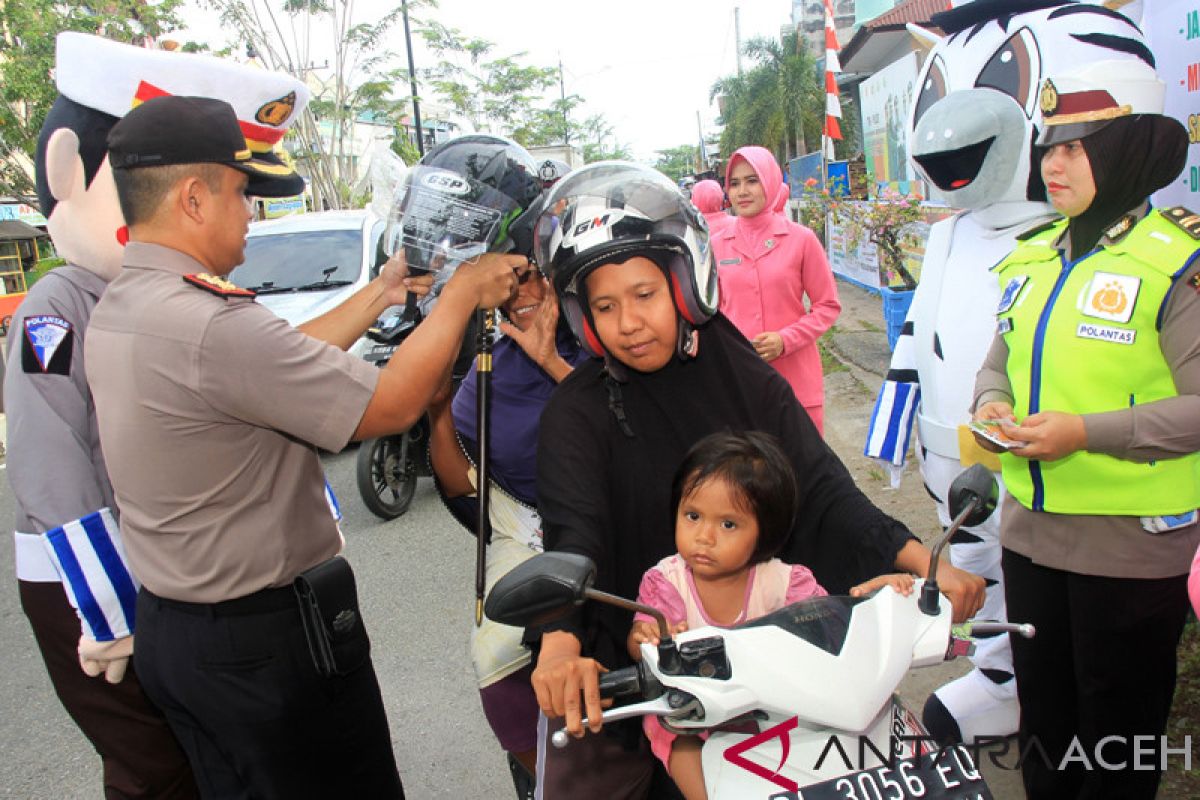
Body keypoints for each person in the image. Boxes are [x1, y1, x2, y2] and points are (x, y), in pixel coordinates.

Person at [84, 99, 528, 798]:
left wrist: (383, 294)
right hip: (260, 647)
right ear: (193, 198)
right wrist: (462, 295)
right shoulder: (208, 324)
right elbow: (391, 406)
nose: (250, 214)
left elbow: (282, 365)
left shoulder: (128, 303)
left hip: (178, 633)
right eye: (241, 194)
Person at [525, 162, 985, 799]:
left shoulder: (733, 366)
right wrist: (559, 639)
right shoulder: (575, 413)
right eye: (605, 306)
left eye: (645, 295)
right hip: (661, 675)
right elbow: (576, 537)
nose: (628, 321)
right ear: (583, 318)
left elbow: (820, 485)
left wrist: (922, 561)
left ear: (685, 286)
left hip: (786, 653)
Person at [8, 32, 330, 798]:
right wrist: (109, 610)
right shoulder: (58, 307)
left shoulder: (178, 298)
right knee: (153, 767)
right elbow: (51, 463)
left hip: (170, 569)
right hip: (89, 575)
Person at [971, 59, 1200, 800]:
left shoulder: (1180, 266)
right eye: (1049, 145)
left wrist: (1085, 432)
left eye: (1077, 144)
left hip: (1131, 546)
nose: (1053, 163)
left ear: (1131, 148)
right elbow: (996, 364)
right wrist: (991, 407)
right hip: (1031, 536)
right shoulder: (1034, 257)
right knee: (1046, 723)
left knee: (1118, 738)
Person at [627, 431, 914, 800]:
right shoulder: (666, 582)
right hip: (697, 715)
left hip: (779, 712)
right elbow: (640, 639)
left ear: (766, 530)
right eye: (693, 516)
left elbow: (832, 625)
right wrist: (646, 637)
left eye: (728, 524)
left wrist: (872, 598)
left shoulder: (784, 583)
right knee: (675, 735)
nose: (704, 537)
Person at [429, 262, 586, 796]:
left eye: (533, 275)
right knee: (493, 659)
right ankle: (554, 784)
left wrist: (553, 361)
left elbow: (627, 430)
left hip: (611, 518)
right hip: (530, 532)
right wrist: (436, 414)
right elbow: (461, 487)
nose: (520, 293)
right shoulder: (490, 365)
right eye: (508, 281)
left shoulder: (600, 333)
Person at [714, 146, 840, 434]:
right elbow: (713, 312)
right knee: (750, 473)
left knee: (804, 473)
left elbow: (827, 305)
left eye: (752, 180)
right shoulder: (717, 245)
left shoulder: (801, 239)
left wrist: (786, 340)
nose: (742, 191)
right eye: (734, 184)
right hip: (741, 382)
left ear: (770, 181)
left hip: (797, 381)